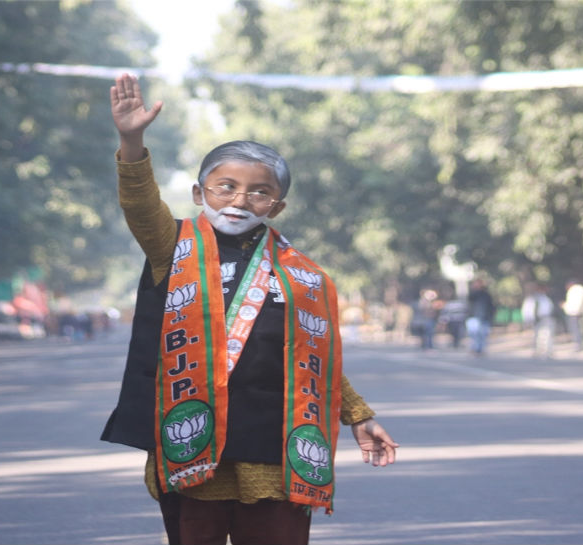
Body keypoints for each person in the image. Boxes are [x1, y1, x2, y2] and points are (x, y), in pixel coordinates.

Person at [100, 73, 398, 545]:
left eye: (258, 191)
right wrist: (131, 139)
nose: (240, 199)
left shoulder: (303, 275)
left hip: (275, 447)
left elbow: (314, 358)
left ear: (276, 207)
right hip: (192, 440)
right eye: (225, 186)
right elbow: (138, 204)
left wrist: (359, 415)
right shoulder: (172, 246)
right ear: (200, 194)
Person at [466, 279, 495, 356]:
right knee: (474, 334)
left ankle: (480, 349)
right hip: (473, 316)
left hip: (484, 317)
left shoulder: (486, 295)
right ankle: (475, 348)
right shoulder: (472, 294)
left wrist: (490, 316)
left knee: (482, 334)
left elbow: (490, 306)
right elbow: (470, 301)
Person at [561, 280, 583, 351]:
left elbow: (572, 304)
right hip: (581, 312)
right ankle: (581, 344)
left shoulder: (572, 291)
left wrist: (564, 306)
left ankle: (578, 344)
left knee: (575, 330)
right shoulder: (581, 289)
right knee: (580, 329)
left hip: (573, 313)